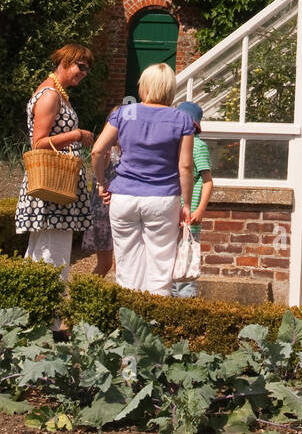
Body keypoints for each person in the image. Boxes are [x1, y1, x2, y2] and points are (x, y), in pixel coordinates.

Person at [91, 63, 194, 297]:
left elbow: (97, 151)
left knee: (126, 266)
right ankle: (154, 325)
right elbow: (185, 166)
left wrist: (101, 182)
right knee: (160, 267)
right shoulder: (182, 119)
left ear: (144, 86)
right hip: (162, 198)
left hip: (124, 197)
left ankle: (126, 325)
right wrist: (186, 205)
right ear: (170, 89)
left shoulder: (125, 113)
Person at [15, 45, 94, 286]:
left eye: (87, 69)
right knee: (53, 253)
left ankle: (34, 312)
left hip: (55, 183)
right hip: (53, 187)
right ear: (65, 61)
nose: (84, 73)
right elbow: (38, 142)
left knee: (44, 251)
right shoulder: (50, 95)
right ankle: (49, 318)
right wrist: (77, 134)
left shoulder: (56, 92)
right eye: (81, 66)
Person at [170, 100, 212, 299]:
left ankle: (185, 308)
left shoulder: (198, 146)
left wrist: (200, 209)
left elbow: (207, 181)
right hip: (171, 214)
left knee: (186, 265)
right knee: (169, 263)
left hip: (189, 217)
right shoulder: (174, 145)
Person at [80, 108, 122, 277]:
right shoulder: (105, 147)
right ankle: (84, 297)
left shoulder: (131, 147)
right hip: (104, 209)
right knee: (105, 264)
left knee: (122, 263)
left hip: (121, 207)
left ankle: (122, 298)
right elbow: (99, 164)